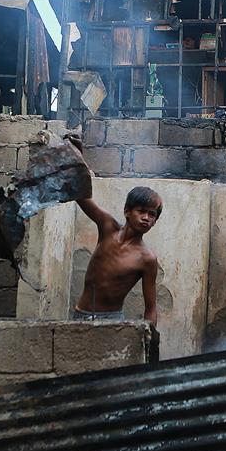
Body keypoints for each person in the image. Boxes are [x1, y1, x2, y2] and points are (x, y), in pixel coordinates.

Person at [66, 135, 161, 329]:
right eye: (141, 211)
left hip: (111, 321)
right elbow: (81, 196)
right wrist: (78, 157)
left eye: (152, 215)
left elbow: (151, 307)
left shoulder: (147, 258)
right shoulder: (108, 227)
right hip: (80, 315)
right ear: (127, 211)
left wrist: (149, 338)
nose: (146, 218)